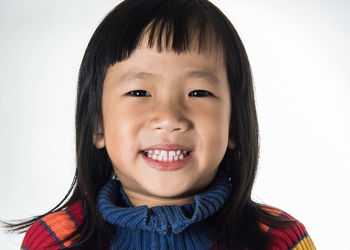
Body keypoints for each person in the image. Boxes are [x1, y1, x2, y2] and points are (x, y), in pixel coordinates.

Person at [7, 0, 316, 249]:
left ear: (234, 125)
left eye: (199, 92)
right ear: (97, 125)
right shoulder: (54, 240)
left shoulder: (279, 240)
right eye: (139, 92)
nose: (169, 117)